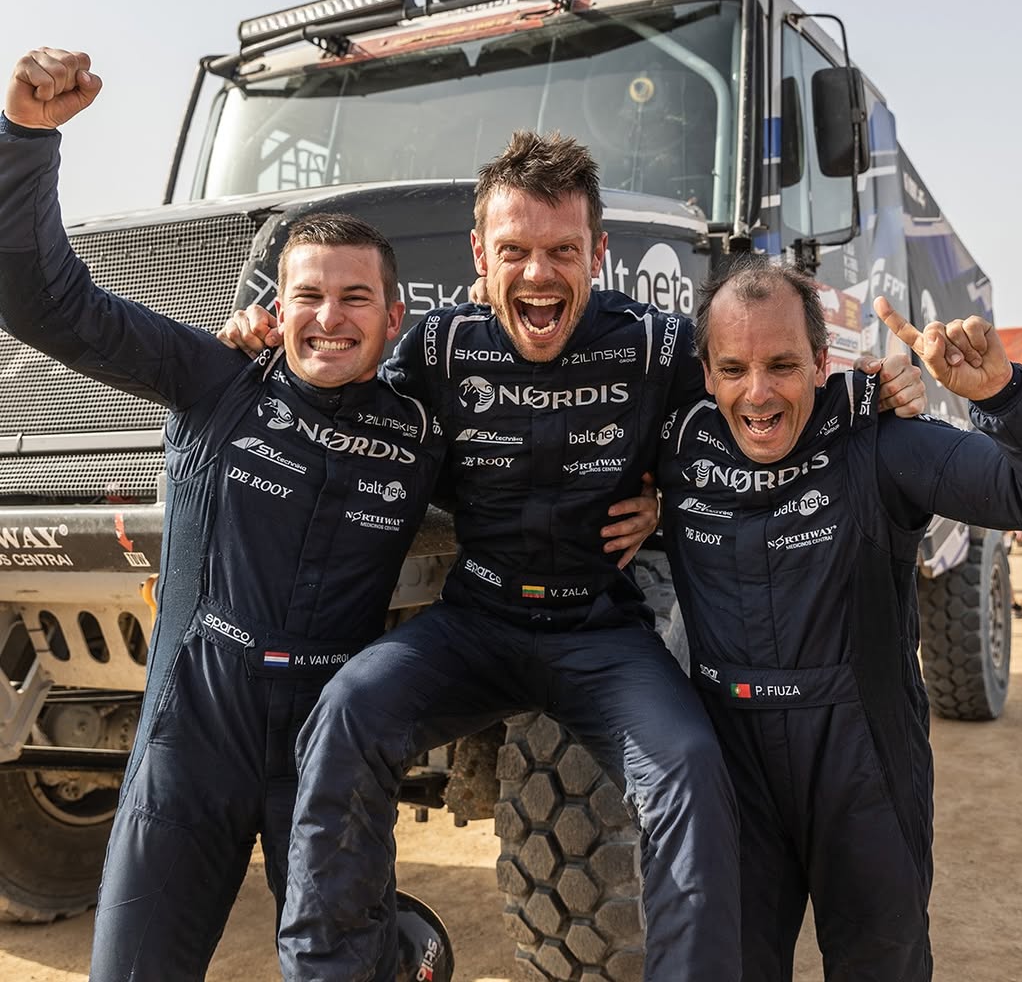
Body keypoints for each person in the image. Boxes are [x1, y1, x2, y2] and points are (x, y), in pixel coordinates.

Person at [223, 129, 926, 981]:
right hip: (474, 624)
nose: (538, 272)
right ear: (480, 256)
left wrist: (871, 395)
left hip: (600, 632)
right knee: (346, 713)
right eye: (514, 251)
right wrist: (259, 350)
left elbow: (756, 406)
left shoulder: (656, 346)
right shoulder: (439, 348)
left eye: (562, 250)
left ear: (598, 253)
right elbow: (338, 395)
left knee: (691, 769)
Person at [0, 48, 454, 981]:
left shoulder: (419, 431)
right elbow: (45, 302)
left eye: (355, 298)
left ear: (395, 316)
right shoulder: (212, 379)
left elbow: (533, 484)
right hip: (193, 736)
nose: (330, 317)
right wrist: (24, 141)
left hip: (327, 747)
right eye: (309, 297)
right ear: (275, 309)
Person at [657, 256, 1022, 982]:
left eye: (782, 365)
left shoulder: (881, 441)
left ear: (822, 360)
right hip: (732, 766)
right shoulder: (675, 447)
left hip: (862, 762)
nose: (757, 393)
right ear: (707, 373)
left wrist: (1002, 395)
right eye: (733, 369)